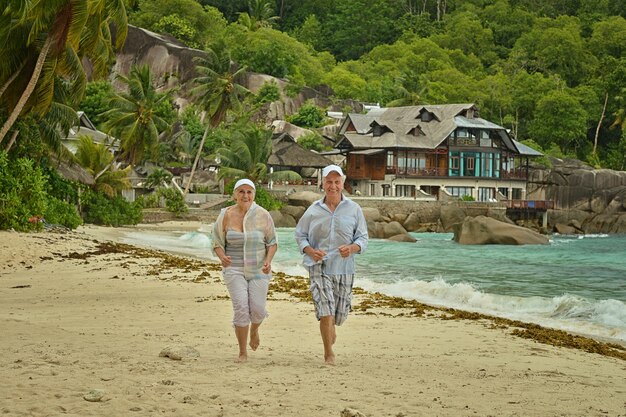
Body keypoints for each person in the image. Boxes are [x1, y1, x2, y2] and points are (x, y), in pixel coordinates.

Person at [294, 164, 368, 365]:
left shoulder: (354, 209)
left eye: (337, 182)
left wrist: (352, 248)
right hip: (319, 266)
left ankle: (333, 324)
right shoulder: (313, 210)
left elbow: (363, 238)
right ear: (323, 184)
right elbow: (300, 235)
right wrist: (310, 250)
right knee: (325, 311)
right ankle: (328, 354)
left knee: (339, 315)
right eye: (329, 182)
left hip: (345, 269)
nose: (333, 186)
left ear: (343, 183)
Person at [212, 179, 278, 363]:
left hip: (258, 268)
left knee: (257, 309)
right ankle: (242, 352)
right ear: (234, 194)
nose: (245, 196)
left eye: (249, 192)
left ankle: (254, 330)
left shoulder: (263, 215)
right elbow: (216, 241)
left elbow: (272, 242)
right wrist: (222, 257)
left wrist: (268, 260)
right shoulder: (225, 215)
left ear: (254, 195)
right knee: (241, 307)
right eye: (241, 192)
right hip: (233, 268)